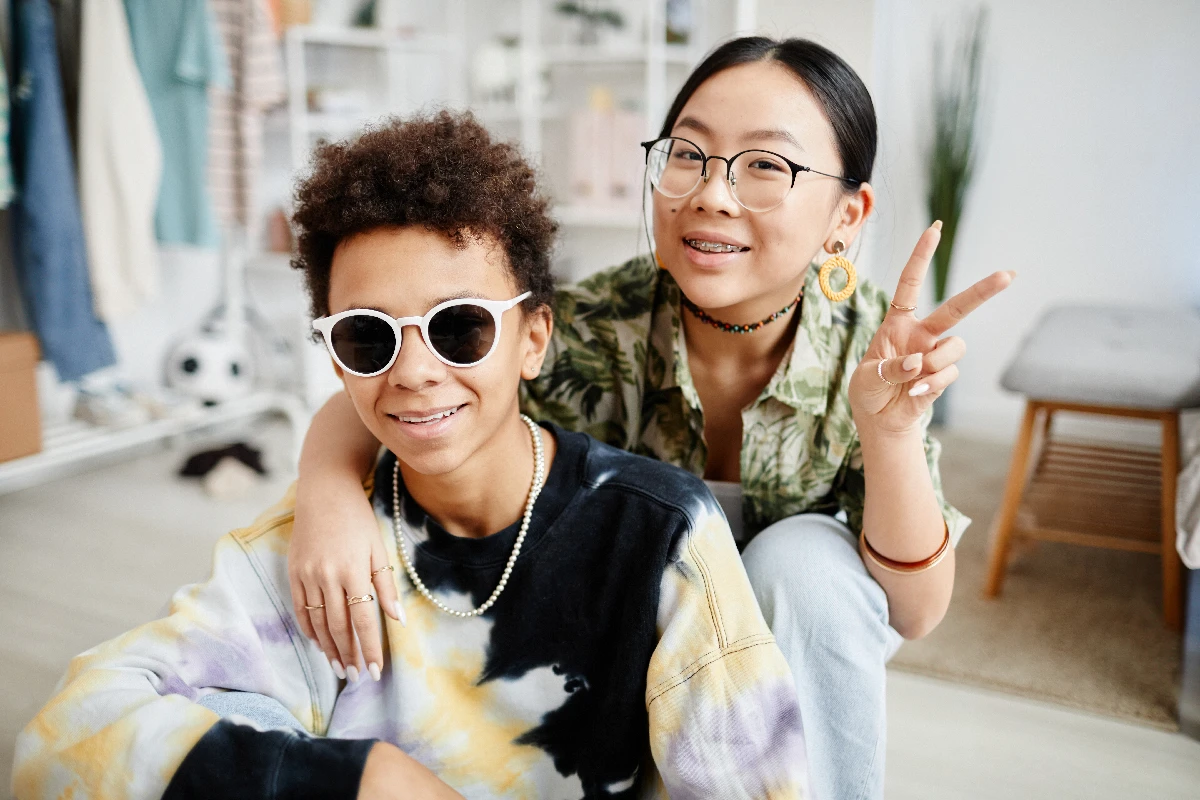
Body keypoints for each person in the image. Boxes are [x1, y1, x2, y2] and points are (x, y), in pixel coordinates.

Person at [288, 36, 1015, 800]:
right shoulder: (592, 325)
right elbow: (412, 381)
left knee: (804, 564)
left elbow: (917, 610)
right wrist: (327, 497)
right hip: (623, 651)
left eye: (767, 165)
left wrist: (891, 432)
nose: (713, 194)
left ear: (846, 215)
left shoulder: (873, 354)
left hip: (794, 650)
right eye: (688, 155)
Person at [12, 113, 808, 800]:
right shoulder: (307, 554)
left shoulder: (659, 537)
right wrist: (366, 781)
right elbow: (60, 743)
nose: (415, 372)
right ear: (335, 358)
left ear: (534, 339)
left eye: (460, 325)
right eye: (369, 335)